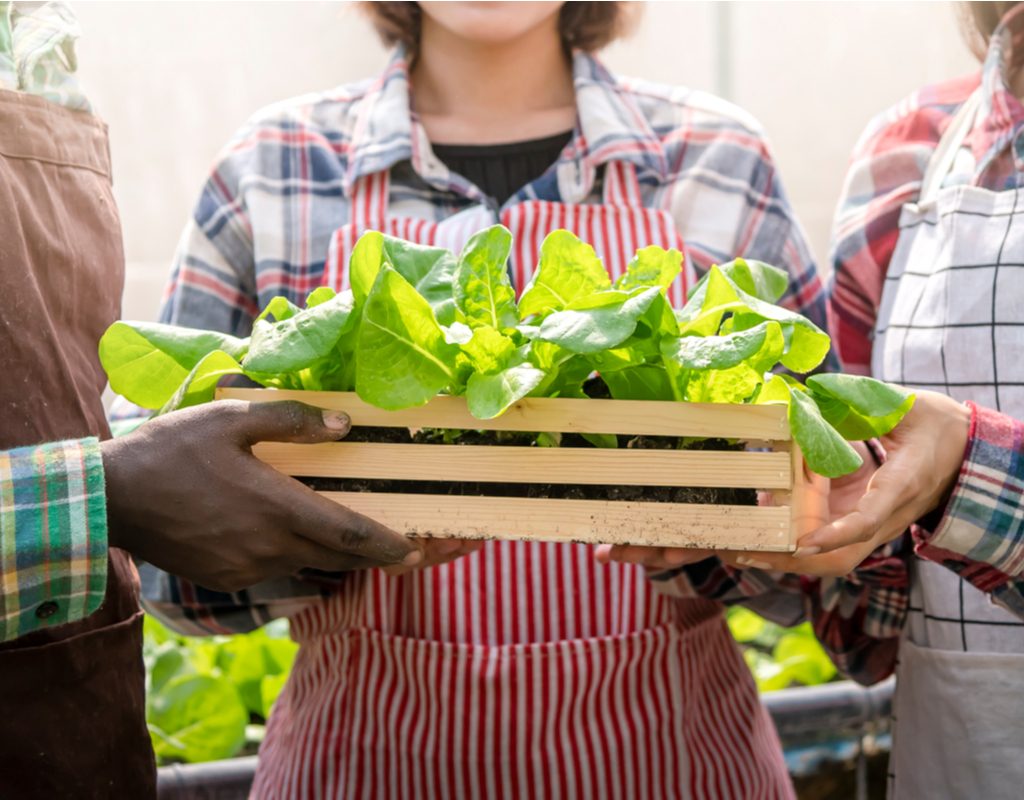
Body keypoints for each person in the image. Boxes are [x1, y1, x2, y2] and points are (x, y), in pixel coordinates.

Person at [139, 2, 831, 797]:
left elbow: (835, 520)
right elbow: (167, 566)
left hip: (673, 758)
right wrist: (323, 535)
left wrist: (713, 532)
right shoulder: (273, 165)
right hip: (360, 764)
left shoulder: (714, 154)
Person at [604, 3, 1024, 798]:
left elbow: (943, 475)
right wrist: (765, 529)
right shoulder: (910, 152)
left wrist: (965, 472)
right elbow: (875, 627)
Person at [0, 3, 417, 797]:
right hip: (354, 756)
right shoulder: (270, 158)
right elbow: (169, 546)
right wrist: (107, 495)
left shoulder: (37, 44)